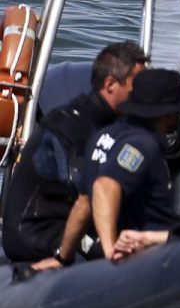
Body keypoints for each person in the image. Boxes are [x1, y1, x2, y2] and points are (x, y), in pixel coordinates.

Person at [3, 42, 146, 266]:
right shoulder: (72, 126)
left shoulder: (103, 122)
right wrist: (64, 256)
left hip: (63, 225)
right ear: (110, 85)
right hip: (35, 237)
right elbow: (87, 197)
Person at [56, 68, 180, 265]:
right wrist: (110, 252)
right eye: (179, 110)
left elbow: (85, 202)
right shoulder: (143, 145)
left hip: (126, 243)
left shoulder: (104, 136)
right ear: (167, 114)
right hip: (154, 255)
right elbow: (104, 187)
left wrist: (63, 257)